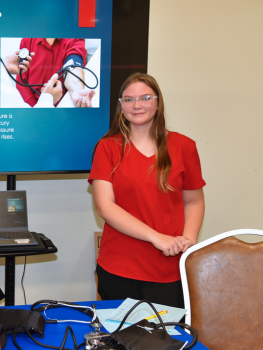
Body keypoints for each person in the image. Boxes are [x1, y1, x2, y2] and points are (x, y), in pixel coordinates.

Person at [88, 73, 205, 308]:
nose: (137, 105)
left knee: (165, 340)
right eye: (129, 100)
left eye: (145, 98)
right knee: (119, 340)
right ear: (121, 107)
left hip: (169, 268)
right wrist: (156, 237)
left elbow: (194, 201)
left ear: (158, 103)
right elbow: (105, 207)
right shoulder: (108, 147)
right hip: (118, 267)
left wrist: (190, 239)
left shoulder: (184, 146)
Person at [15, 38, 94, 107]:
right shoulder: (27, 40)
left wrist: (76, 90)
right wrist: (39, 107)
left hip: (62, 110)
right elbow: (21, 82)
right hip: (32, 108)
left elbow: (73, 66)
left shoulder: (74, 38)